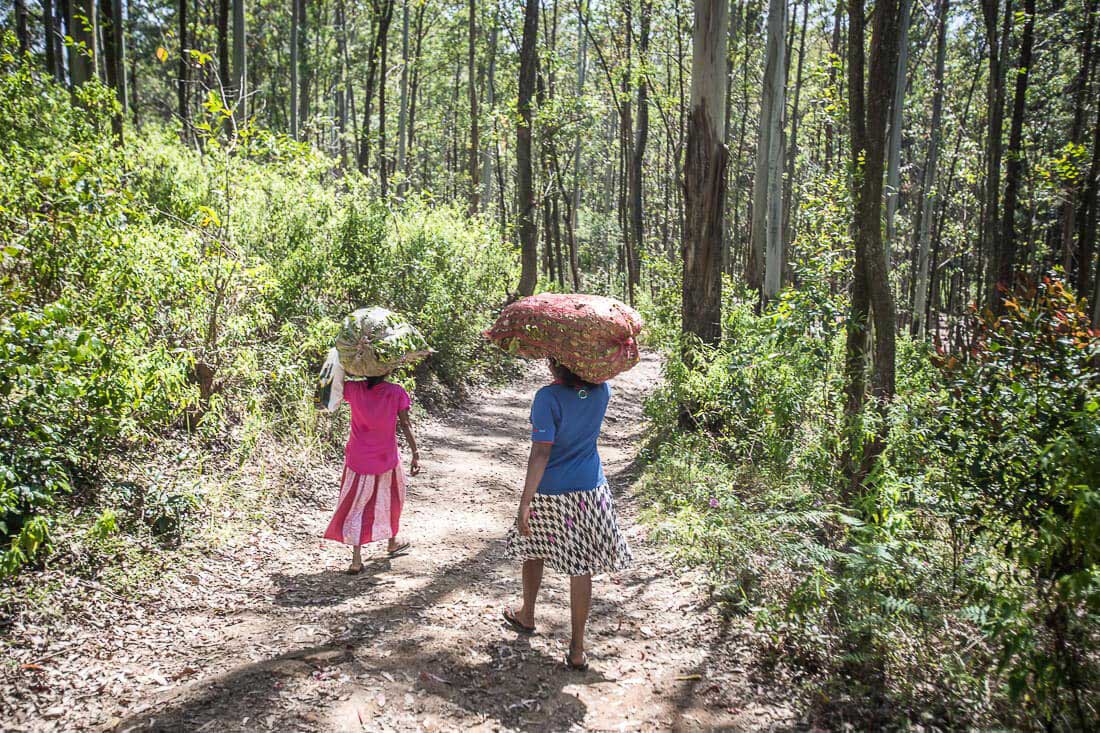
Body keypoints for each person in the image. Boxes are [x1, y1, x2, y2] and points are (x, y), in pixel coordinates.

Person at [503, 358, 633, 671]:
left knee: (534, 550)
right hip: (591, 490)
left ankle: (528, 614)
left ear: (553, 363)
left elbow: (542, 452)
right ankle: (577, 647)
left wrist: (525, 501)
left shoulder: (547, 398)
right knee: (582, 565)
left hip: (551, 491)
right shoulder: (602, 391)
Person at [321, 358, 421, 574]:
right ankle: (392, 541)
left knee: (357, 503)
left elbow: (332, 383)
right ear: (387, 370)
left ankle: (356, 559)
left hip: (357, 458)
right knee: (391, 498)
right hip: (386, 458)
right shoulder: (396, 392)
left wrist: (339, 359)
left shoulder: (353, 389)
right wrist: (415, 452)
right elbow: (405, 423)